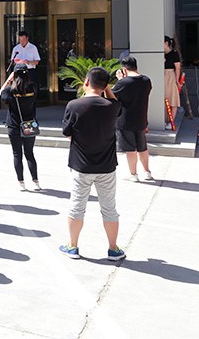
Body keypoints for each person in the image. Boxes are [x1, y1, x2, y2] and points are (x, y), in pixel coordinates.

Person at [60, 67, 125, 261]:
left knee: (76, 206)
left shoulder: (74, 105)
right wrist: (107, 89)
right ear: (106, 86)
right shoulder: (112, 106)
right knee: (109, 209)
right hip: (106, 166)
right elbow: (116, 103)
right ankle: (113, 249)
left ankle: (72, 246)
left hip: (81, 166)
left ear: (86, 81)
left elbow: (67, 132)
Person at [112, 56, 153, 182]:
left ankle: (133, 174)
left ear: (124, 69)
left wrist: (120, 80)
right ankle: (147, 172)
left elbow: (112, 96)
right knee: (142, 147)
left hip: (125, 121)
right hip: (141, 119)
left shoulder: (123, 83)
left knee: (130, 149)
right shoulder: (146, 80)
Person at [0, 64, 40, 191]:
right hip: (29, 125)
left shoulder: (10, 90)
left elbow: (1, 93)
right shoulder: (33, 87)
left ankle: (21, 182)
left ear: (15, 75)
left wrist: (9, 80)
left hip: (14, 125)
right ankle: (35, 180)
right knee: (30, 153)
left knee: (17, 154)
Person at [164, 35, 181, 121]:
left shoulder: (174, 53)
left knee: (173, 99)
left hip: (170, 76)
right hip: (162, 76)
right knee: (164, 98)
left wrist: (177, 80)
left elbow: (177, 68)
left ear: (166, 43)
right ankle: (164, 120)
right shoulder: (161, 54)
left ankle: (171, 121)